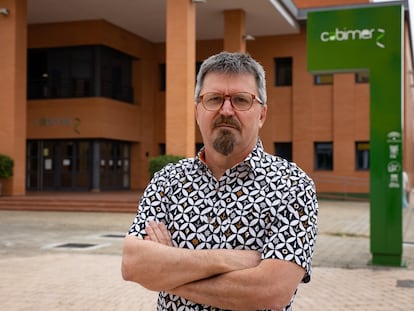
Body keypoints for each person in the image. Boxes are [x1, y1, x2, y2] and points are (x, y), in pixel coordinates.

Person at [121, 51, 318, 311]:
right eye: (214, 99)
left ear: (261, 114)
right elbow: (133, 265)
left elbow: (271, 291)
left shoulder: (293, 186)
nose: (226, 110)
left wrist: (166, 274)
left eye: (240, 100)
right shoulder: (166, 181)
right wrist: (229, 260)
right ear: (197, 111)